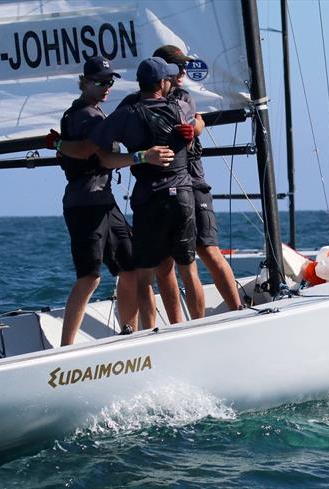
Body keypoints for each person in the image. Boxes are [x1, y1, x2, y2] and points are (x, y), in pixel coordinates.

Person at [87, 56, 206, 329]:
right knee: (189, 269)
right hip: (183, 198)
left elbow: (101, 153)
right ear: (163, 83)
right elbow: (199, 121)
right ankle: (200, 329)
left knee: (145, 276)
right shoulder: (180, 108)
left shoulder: (126, 114)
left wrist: (138, 157)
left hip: (149, 200)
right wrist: (194, 129)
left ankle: (151, 333)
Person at [134, 45, 243, 318]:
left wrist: (197, 126)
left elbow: (193, 119)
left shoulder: (182, 97)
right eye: (177, 66)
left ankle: (238, 311)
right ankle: (176, 327)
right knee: (164, 264)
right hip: (165, 191)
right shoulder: (142, 102)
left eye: (183, 65)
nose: (183, 71)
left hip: (193, 185)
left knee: (208, 250)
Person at [49, 56, 138, 346]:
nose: (107, 87)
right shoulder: (87, 115)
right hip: (85, 202)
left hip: (104, 201)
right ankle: (66, 347)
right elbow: (91, 151)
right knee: (90, 276)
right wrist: (139, 158)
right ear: (85, 82)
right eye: (100, 81)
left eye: (110, 81)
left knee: (130, 267)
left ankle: (130, 334)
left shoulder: (89, 113)